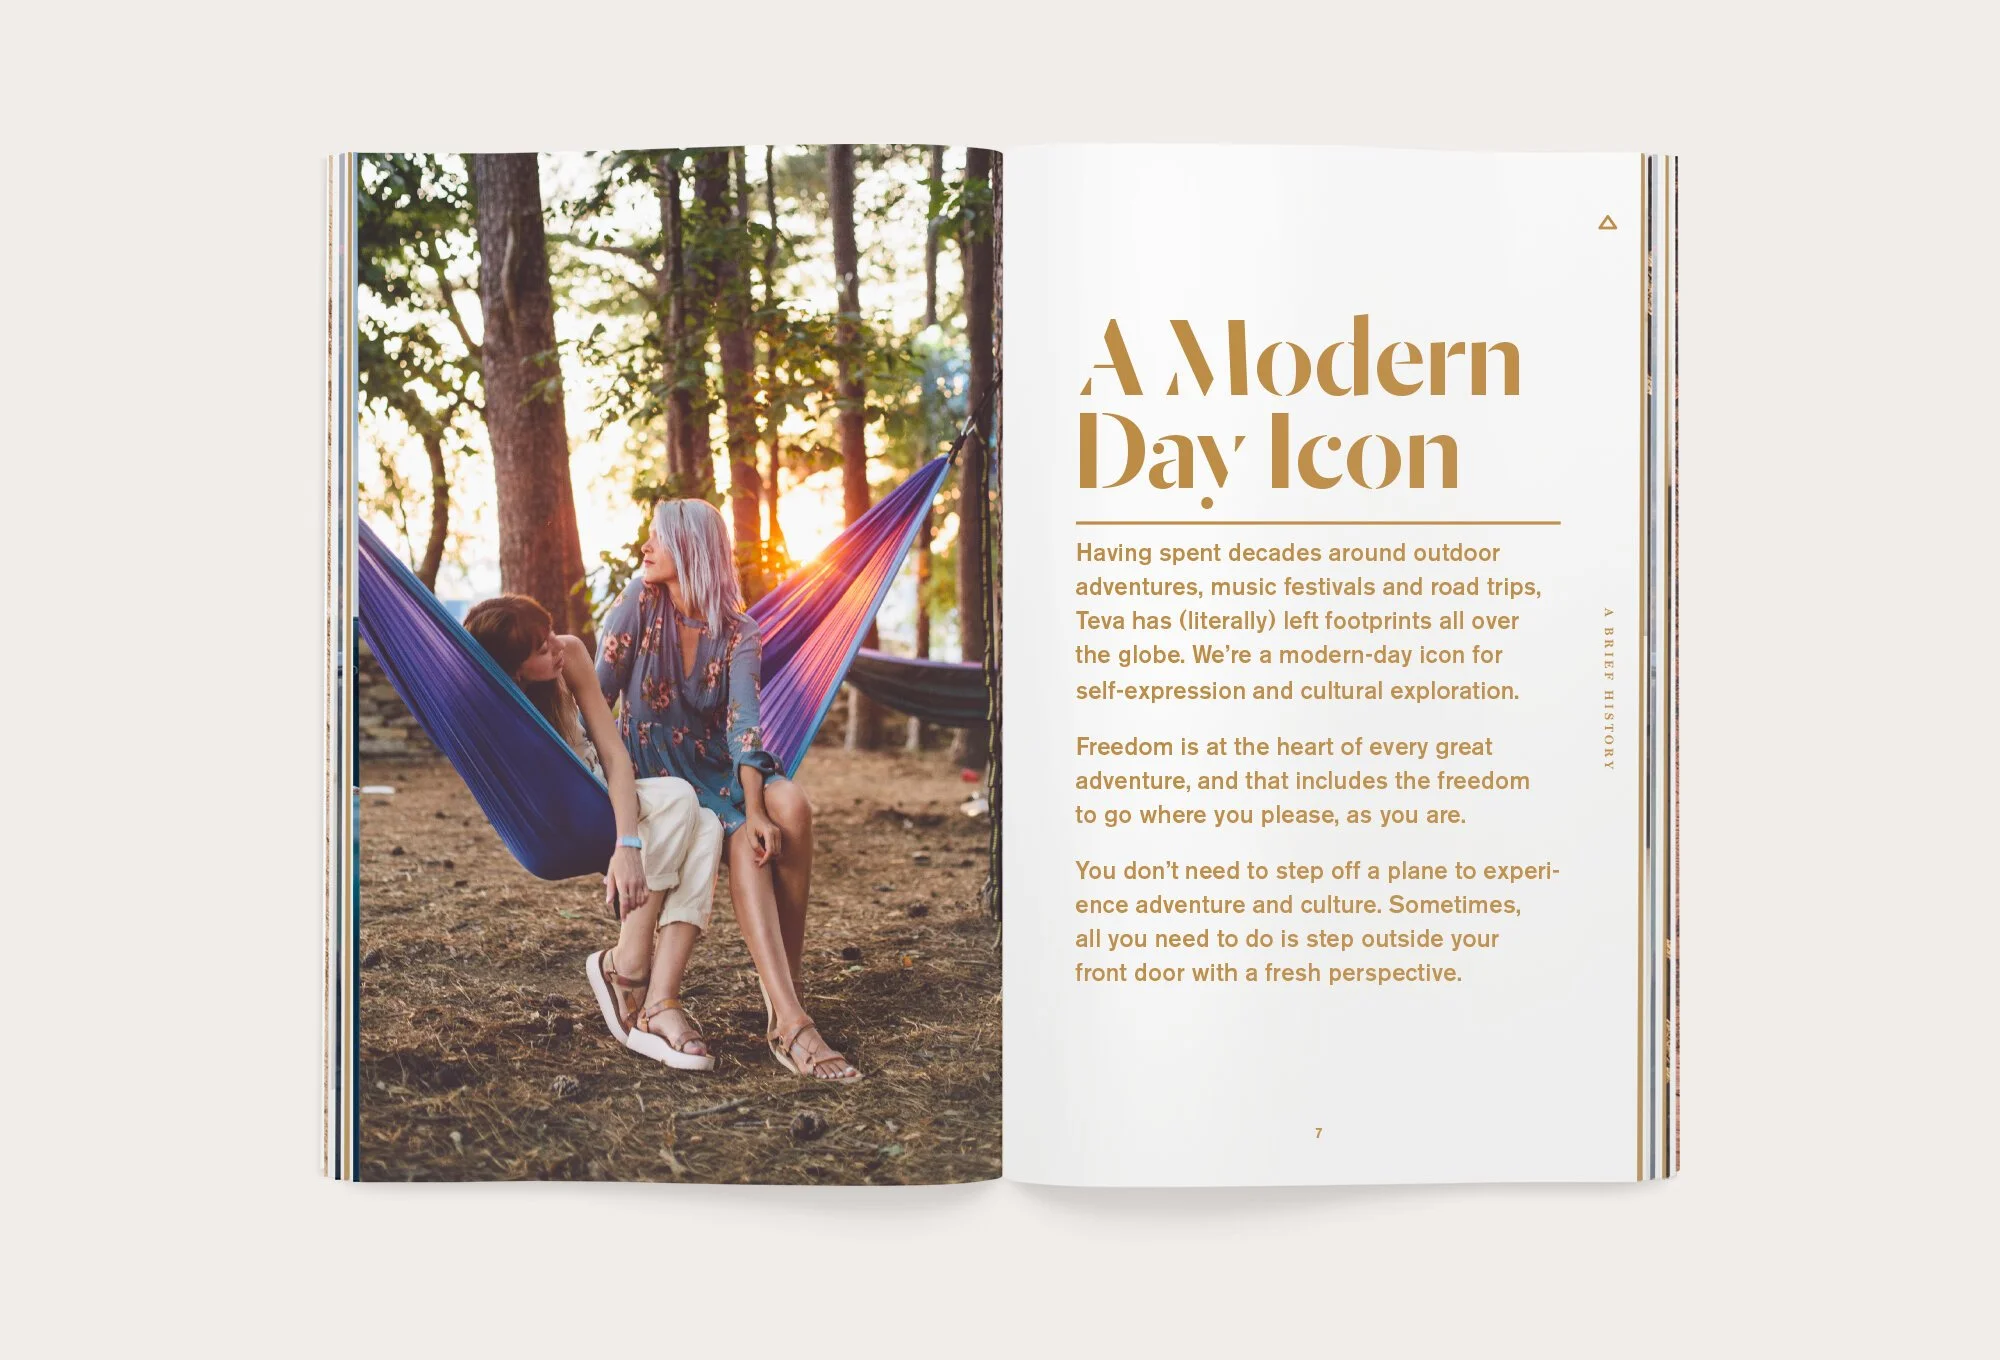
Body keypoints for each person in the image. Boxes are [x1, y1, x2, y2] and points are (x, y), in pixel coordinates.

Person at [596, 499, 861, 1083]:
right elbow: (596, 699)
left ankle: (783, 999)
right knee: (744, 831)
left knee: (788, 807)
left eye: (658, 538)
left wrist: (758, 807)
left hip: (714, 769)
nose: (646, 547)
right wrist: (588, 787)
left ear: (690, 549)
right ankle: (790, 1019)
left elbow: (745, 725)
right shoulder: (638, 605)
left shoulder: (740, 630)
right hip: (654, 772)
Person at [464, 594, 722, 1071]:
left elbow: (615, 756)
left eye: (548, 634)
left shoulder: (572, 653)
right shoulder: (494, 699)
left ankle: (656, 996)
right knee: (684, 800)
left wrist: (628, 846)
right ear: (515, 671)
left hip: (598, 795)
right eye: (540, 651)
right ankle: (629, 970)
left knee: (705, 821)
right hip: (554, 824)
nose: (555, 649)